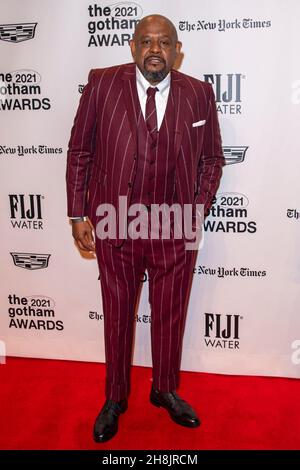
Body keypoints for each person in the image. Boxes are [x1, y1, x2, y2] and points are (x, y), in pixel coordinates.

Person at [66, 14, 224, 443]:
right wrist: (77, 214)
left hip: (174, 226)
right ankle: (115, 398)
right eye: (147, 41)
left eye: (164, 42)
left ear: (177, 50)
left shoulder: (199, 92)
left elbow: (212, 159)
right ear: (133, 46)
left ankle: (165, 389)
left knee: (171, 314)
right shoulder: (101, 83)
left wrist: (196, 208)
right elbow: (80, 150)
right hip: (116, 222)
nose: (155, 49)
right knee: (117, 314)